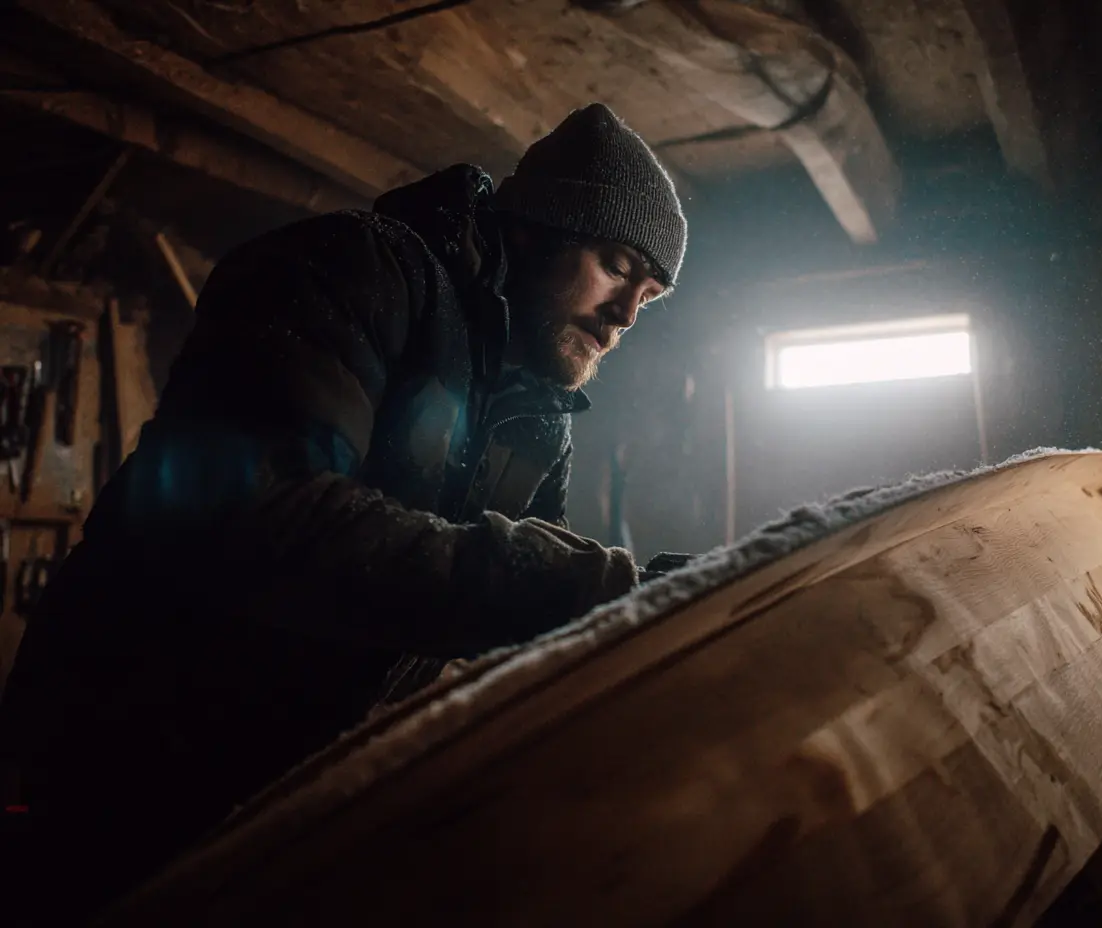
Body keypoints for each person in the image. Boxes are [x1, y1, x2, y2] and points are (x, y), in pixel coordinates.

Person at [0, 103, 687, 922]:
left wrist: (649, 606)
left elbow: (516, 617)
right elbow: (262, 514)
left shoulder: (535, 415)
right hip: (120, 770)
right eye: (616, 266)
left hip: (281, 797)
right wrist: (582, 590)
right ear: (540, 226)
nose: (625, 318)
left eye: (648, 295)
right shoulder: (354, 270)